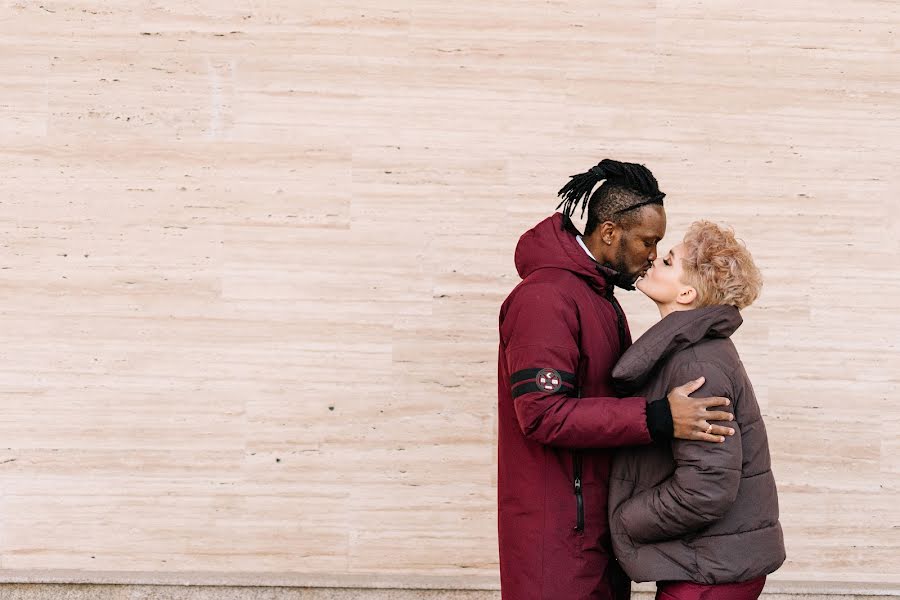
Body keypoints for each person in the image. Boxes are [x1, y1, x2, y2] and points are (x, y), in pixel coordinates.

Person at [497, 160, 736, 600]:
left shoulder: (600, 297)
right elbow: (541, 415)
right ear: (609, 233)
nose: (652, 254)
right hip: (557, 541)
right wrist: (660, 417)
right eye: (649, 241)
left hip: (597, 532)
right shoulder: (545, 299)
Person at [608, 221, 786, 600]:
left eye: (669, 261)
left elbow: (707, 488)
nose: (653, 260)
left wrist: (626, 519)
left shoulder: (696, 364)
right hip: (712, 563)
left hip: (711, 573)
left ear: (686, 292)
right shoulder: (693, 351)